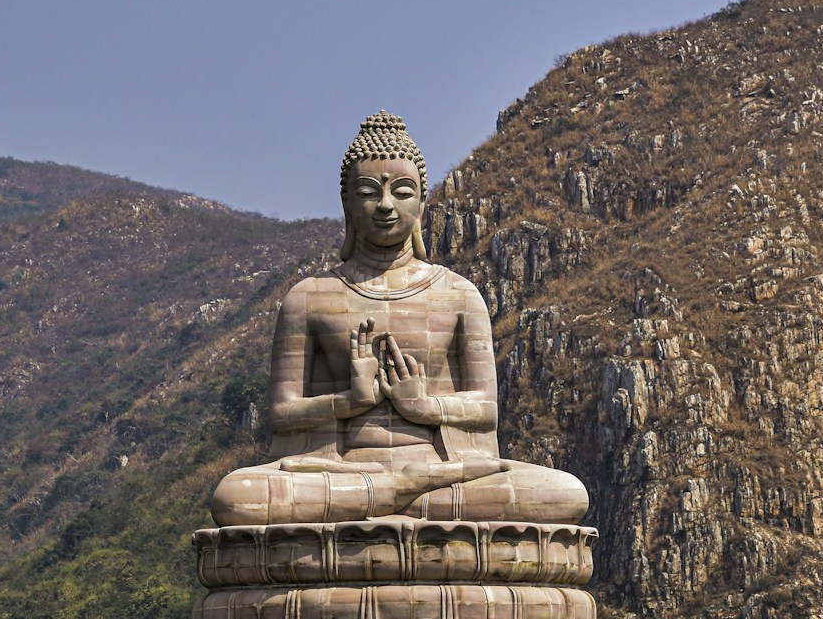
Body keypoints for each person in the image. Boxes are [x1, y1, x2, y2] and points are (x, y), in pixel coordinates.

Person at [210, 112, 589, 527]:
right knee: (237, 497)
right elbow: (282, 413)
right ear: (347, 204)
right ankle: (401, 496)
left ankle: (384, 498)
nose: (386, 205)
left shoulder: (459, 294)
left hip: (441, 471)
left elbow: (485, 410)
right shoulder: (309, 297)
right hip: (339, 471)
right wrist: (352, 400)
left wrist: (423, 405)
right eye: (368, 192)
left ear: (422, 203)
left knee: (564, 493)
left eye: (402, 192)